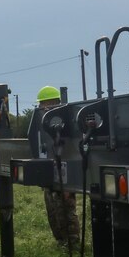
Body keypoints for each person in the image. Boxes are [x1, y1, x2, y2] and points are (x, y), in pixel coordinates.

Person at [36, 85, 80, 248]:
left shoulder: (65, 124)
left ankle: (72, 241)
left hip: (65, 176)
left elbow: (72, 153)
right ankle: (61, 240)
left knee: (66, 210)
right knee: (53, 211)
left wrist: (69, 186)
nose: (41, 108)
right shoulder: (46, 125)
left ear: (51, 104)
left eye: (43, 104)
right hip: (50, 175)